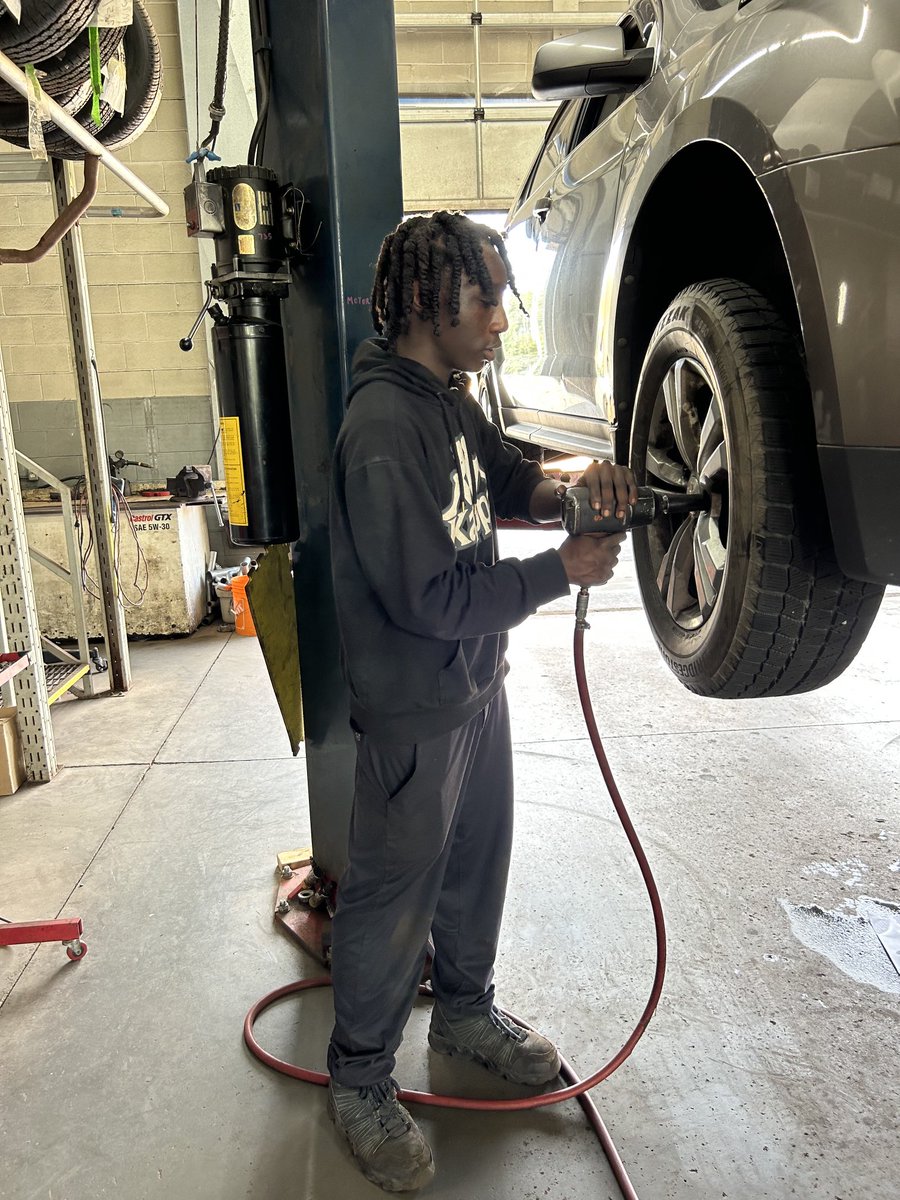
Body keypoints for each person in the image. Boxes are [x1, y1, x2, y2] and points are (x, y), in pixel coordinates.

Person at [326, 211, 636, 1192]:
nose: (501, 319)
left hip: (473, 687)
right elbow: (427, 599)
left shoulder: (446, 398)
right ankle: (361, 1080)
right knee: (389, 902)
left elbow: (500, 471)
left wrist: (564, 492)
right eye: (487, 299)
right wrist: (562, 569)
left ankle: (464, 1010)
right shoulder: (380, 429)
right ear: (430, 304)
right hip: (417, 708)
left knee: (476, 868)